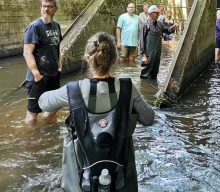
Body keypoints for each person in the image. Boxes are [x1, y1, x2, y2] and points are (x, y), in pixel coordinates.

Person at [39, 32, 154, 192]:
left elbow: (43, 103)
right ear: (114, 60)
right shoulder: (128, 88)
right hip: (119, 177)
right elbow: (148, 119)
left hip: (82, 179)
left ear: (87, 59)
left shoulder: (72, 90)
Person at [23, 0, 62, 124]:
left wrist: (59, 66)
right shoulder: (34, 27)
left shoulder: (56, 26)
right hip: (38, 77)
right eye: (44, 6)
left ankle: (46, 127)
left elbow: (57, 47)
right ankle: (32, 139)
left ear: (55, 9)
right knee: (33, 113)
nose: (46, 9)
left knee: (53, 107)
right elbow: (27, 53)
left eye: (50, 6)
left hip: (54, 74)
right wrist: (36, 73)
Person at [139, 5, 177, 79]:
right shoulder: (145, 24)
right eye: (156, 13)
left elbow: (168, 31)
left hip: (157, 52)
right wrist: (143, 55)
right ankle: (144, 87)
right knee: (145, 72)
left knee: (155, 71)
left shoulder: (159, 23)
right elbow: (141, 40)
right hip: (148, 52)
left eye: (158, 13)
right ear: (150, 14)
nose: (158, 14)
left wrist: (173, 27)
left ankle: (153, 86)